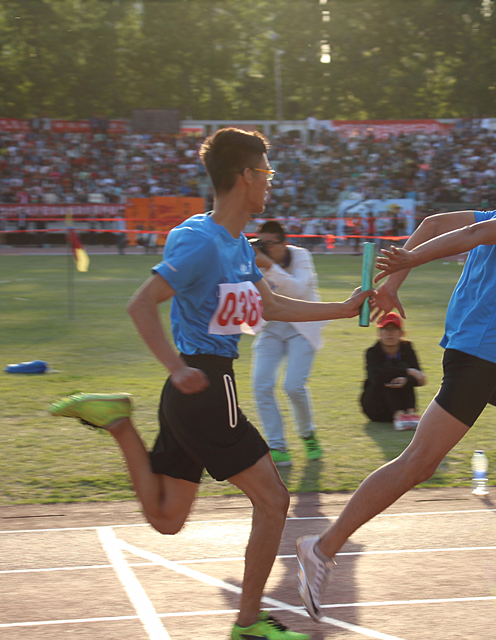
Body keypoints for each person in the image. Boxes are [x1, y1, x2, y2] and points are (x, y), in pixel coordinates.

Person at [49, 127, 371, 640]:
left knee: (167, 518)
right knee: (274, 501)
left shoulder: (237, 244)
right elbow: (141, 304)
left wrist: (343, 308)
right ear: (245, 176)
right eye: (267, 173)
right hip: (203, 385)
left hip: (193, 393)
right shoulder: (201, 240)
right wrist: (176, 368)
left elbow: (271, 306)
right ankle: (249, 625)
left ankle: (119, 424)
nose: (270, 183)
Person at [294, 146, 496, 624]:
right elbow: (469, 235)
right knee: (417, 463)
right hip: (479, 359)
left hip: (494, 362)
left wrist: (393, 282)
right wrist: (410, 259)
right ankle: (322, 547)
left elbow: (435, 222)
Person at [250, 219, 326, 467]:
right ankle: (277, 446)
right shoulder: (256, 261)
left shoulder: (300, 256)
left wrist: (268, 266)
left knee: (293, 386)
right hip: (271, 328)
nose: (264, 248)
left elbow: (299, 290)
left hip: (302, 327)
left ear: (284, 243)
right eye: (261, 243)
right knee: (261, 385)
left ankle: (307, 434)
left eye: (270, 244)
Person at [360, 311, 426, 430]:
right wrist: (407, 371)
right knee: (386, 373)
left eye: (394, 329)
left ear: (401, 333)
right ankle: (399, 414)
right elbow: (375, 376)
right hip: (377, 407)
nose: (390, 333)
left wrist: (406, 379)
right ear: (380, 333)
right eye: (386, 329)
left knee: (403, 378)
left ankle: (410, 414)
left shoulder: (407, 349)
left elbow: (419, 379)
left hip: (404, 404)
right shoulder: (372, 352)